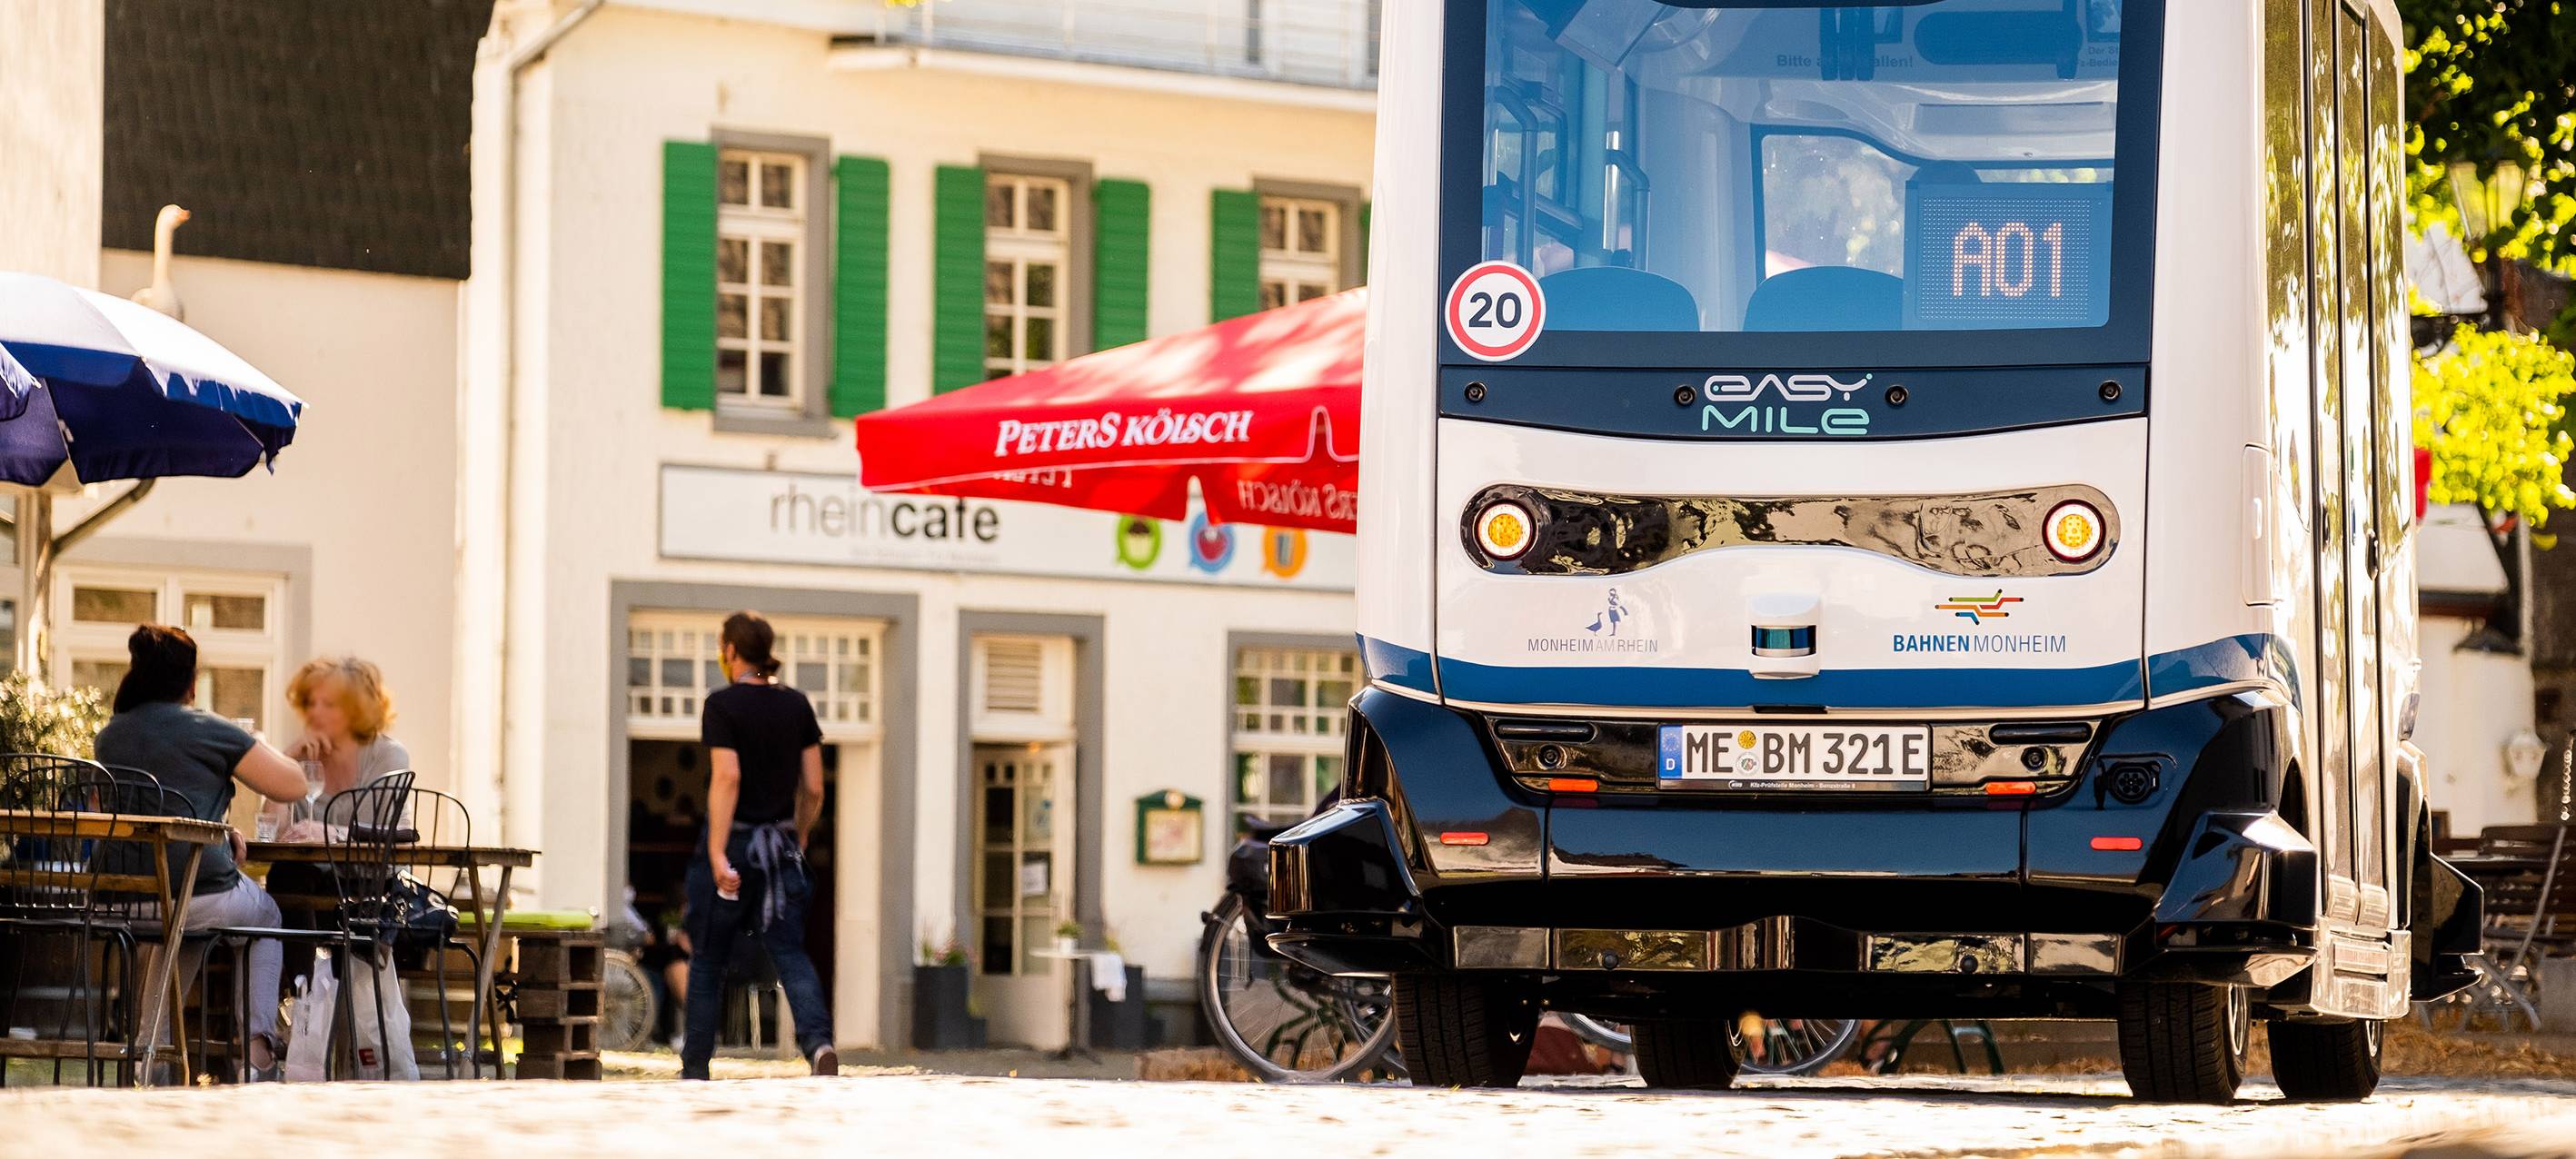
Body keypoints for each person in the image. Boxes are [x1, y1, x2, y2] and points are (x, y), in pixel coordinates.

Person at [92, 624, 306, 1079]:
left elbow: (150, 809)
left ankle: (150, 1066)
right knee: (264, 916)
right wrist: (253, 738)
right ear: (190, 682)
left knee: (180, 927)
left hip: (122, 899)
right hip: (195, 892)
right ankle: (258, 1057)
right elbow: (293, 784)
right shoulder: (209, 729)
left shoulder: (111, 735)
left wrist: (219, 830)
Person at [680, 610, 835, 1079]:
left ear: (730, 651)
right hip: (780, 846)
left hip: (735, 842)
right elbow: (814, 787)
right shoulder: (797, 705)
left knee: (708, 958)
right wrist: (799, 833)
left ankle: (695, 1067)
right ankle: (819, 1045)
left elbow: (727, 777)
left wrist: (716, 852)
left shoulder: (722, 704)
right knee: (790, 952)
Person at [283, 656, 412, 799]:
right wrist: (285, 761)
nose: (315, 712)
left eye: (329, 704)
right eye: (311, 703)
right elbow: (273, 814)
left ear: (357, 710)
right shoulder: (301, 757)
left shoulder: (386, 755)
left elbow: (377, 815)